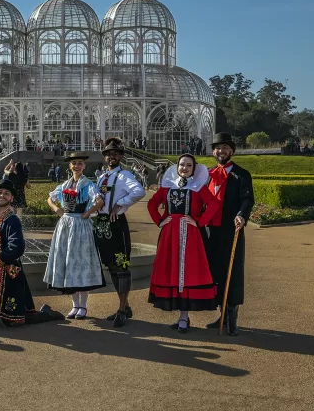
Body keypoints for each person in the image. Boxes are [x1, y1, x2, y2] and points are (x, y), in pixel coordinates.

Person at [147, 154, 221, 333]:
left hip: (191, 235)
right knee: (172, 270)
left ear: (194, 169)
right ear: (177, 167)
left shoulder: (198, 188)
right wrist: (160, 221)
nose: (185, 168)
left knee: (187, 272)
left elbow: (214, 204)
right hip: (169, 234)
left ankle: (184, 316)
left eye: (189, 165)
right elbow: (152, 204)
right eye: (182, 165)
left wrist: (199, 222)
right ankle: (182, 316)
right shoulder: (167, 187)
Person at [0, 179, 65, 326]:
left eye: (6, 193)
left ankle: (46, 314)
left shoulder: (12, 219)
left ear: (11, 198)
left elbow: (17, 247)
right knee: (7, 312)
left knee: (13, 319)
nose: (2, 195)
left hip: (9, 269)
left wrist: (0, 257)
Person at [203, 132, 255, 336]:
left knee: (231, 272)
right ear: (213, 151)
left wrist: (242, 215)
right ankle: (221, 313)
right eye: (217, 147)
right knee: (214, 271)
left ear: (231, 151)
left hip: (231, 228)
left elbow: (247, 199)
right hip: (210, 230)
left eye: (225, 147)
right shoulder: (207, 174)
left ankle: (232, 317)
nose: (221, 151)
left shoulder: (242, 174)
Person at [43, 152, 105, 319]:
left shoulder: (88, 184)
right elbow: (50, 198)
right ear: (70, 166)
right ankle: (75, 305)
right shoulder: (64, 185)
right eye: (74, 163)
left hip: (81, 226)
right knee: (68, 262)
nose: (77, 166)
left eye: (79, 163)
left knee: (80, 261)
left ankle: (83, 306)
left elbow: (99, 200)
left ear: (84, 166)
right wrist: (57, 209)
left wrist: (88, 213)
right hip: (65, 225)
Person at [94, 137, 145, 327]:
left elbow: (139, 192)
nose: (111, 157)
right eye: (108, 154)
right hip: (102, 224)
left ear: (121, 156)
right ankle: (125, 306)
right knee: (111, 267)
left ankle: (122, 309)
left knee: (121, 267)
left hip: (116, 224)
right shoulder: (101, 176)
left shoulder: (125, 176)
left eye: (115, 154)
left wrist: (120, 204)